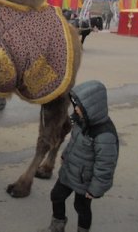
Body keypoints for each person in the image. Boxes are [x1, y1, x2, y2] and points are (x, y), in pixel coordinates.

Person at [39, 80, 119, 232]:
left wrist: (95, 189)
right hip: (69, 171)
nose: (75, 109)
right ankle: (57, 225)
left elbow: (106, 166)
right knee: (56, 195)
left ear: (92, 107)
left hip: (85, 180)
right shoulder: (81, 121)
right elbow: (73, 142)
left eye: (78, 106)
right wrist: (65, 155)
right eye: (75, 104)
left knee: (81, 207)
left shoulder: (104, 135)